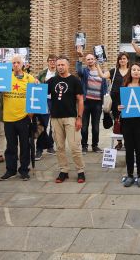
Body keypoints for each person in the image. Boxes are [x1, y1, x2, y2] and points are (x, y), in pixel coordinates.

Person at [48, 55, 86, 183]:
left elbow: (80, 100)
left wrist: (79, 118)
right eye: (58, 65)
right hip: (55, 118)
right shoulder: (52, 81)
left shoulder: (75, 81)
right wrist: (36, 83)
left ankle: (80, 171)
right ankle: (63, 170)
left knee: (74, 146)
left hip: (71, 117)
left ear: (68, 65)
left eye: (62, 64)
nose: (60, 67)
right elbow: (39, 92)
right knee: (59, 146)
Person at [115, 62, 140, 187]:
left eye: (138, 70)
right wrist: (119, 107)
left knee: (139, 149)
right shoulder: (124, 87)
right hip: (127, 122)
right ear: (130, 72)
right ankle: (130, 175)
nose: (136, 71)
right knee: (129, 149)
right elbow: (117, 104)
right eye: (133, 70)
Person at [0, 54, 36, 181]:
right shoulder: (4, 77)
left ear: (23, 64)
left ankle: (24, 170)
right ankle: (11, 170)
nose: (15, 65)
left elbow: (36, 94)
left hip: (24, 117)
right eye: (13, 63)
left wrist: (32, 112)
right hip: (8, 117)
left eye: (18, 62)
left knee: (25, 145)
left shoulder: (29, 78)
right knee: (11, 146)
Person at [76, 46, 110, 153]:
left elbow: (105, 87)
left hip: (98, 103)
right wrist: (80, 58)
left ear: (95, 60)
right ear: (86, 61)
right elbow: (79, 71)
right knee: (84, 126)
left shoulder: (102, 72)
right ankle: (84, 146)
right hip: (86, 102)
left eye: (91, 59)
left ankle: (95, 145)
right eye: (88, 59)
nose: (90, 61)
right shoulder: (84, 72)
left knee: (95, 127)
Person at [35, 54, 58, 160]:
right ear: (47, 62)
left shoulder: (59, 73)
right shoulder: (42, 73)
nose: (52, 62)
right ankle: (39, 149)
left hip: (56, 101)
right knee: (42, 124)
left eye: (54, 60)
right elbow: (36, 85)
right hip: (44, 100)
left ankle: (50, 146)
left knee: (54, 125)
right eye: (51, 60)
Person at [109, 52, 130, 150]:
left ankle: (127, 141)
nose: (122, 60)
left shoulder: (131, 71)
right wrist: (98, 65)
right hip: (116, 99)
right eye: (120, 59)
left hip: (128, 98)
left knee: (127, 121)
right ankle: (119, 142)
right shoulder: (114, 71)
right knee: (117, 120)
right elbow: (102, 75)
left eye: (124, 58)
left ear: (127, 60)